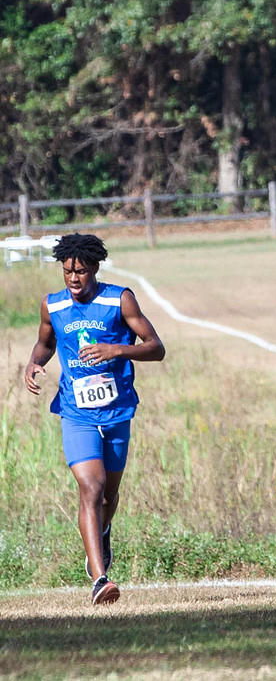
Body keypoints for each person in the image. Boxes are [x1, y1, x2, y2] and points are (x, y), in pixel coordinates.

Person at [24, 233, 166, 606]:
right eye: (68, 271)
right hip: (76, 412)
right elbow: (45, 343)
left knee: (109, 494)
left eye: (81, 271)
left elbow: (156, 347)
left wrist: (116, 349)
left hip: (118, 411)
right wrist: (34, 362)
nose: (73, 279)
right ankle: (100, 579)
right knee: (92, 486)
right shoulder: (52, 306)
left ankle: (102, 531)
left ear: (95, 269)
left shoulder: (118, 300)